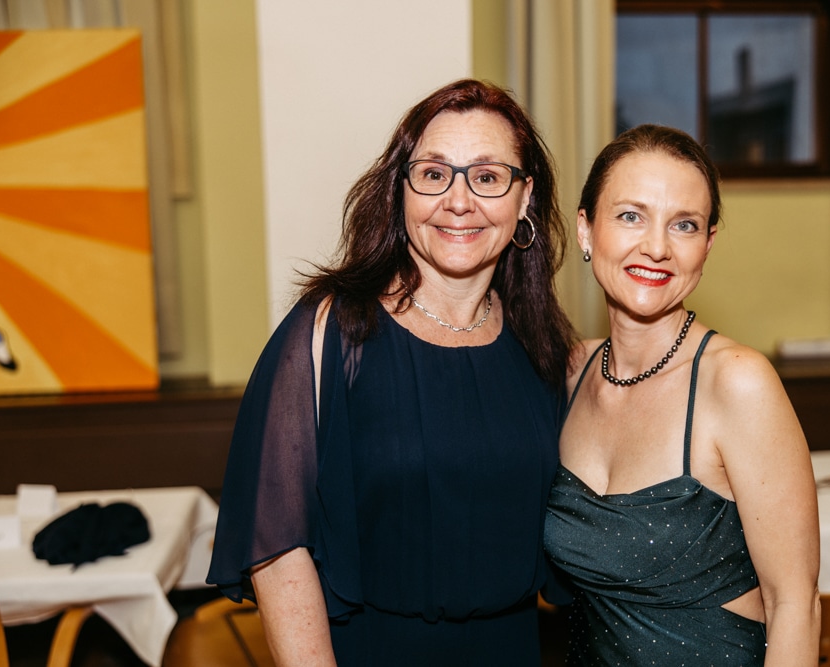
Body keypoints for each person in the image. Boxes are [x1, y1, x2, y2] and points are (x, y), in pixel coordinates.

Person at [207, 79, 577, 666]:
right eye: (434, 174)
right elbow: (278, 550)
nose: (459, 201)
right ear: (401, 189)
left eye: (487, 177)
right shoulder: (330, 332)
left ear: (524, 196)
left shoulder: (544, 347)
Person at [544, 124, 821, 666]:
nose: (656, 247)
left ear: (707, 245)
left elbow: (796, 604)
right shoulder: (571, 373)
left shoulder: (736, 382)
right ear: (585, 229)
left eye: (684, 225)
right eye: (631, 216)